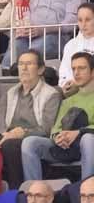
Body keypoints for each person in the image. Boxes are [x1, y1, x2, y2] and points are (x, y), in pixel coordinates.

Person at [0, 51, 61, 187]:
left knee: (10, 145)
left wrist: (23, 133)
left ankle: (18, 191)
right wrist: (3, 135)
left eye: (29, 64)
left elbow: (48, 128)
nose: (23, 68)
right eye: (21, 64)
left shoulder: (52, 94)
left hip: (35, 141)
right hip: (7, 139)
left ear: (40, 69)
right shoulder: (9, 93)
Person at [23, 52, 94, 183]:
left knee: (88, 139)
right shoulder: (68, 101)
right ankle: (34, 191)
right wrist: (58, 137)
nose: (76, 73)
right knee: (30, 142)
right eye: (74, 69)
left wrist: (78, 133)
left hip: (87, 143)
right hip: (64, 147)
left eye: (82, 68)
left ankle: (88, 191)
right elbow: (56, 128)